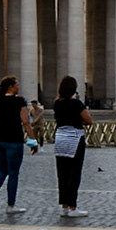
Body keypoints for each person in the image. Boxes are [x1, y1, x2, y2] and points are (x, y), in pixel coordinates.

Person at [0, 76, 33, 214]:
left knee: (1, 170)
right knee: (13, 173)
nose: (19, 86)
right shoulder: (19, 101)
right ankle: (11, 205)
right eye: (17, 84)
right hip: (13, 139)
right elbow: (26, 122)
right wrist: (33, 140)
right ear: (11, 86)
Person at [51, 75, 93, 217]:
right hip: (75, 137)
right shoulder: (76, 104)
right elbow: (88, 120)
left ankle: (64, 206)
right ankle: (73, 207)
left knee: (62, 173)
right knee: (74, 173)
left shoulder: (57, 103)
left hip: (60, 137)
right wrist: (79, 123)